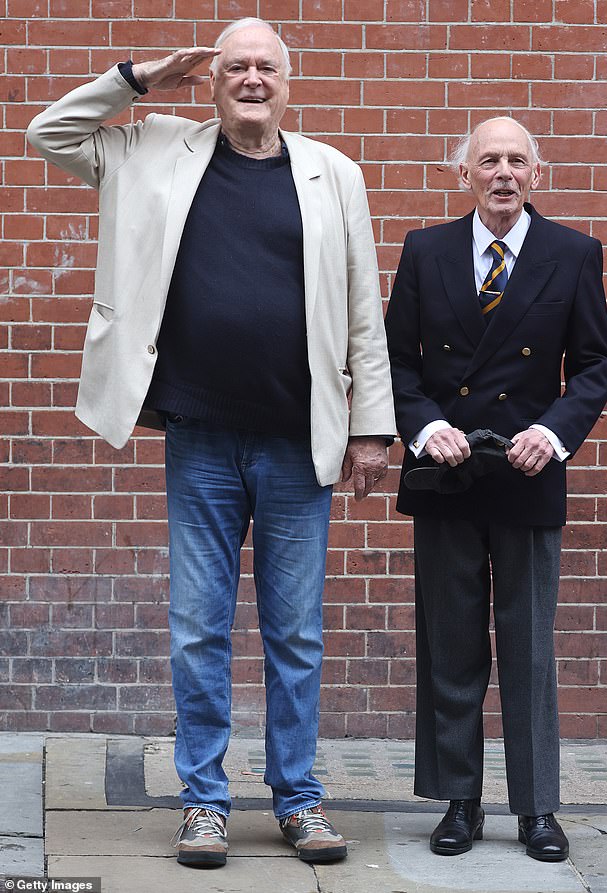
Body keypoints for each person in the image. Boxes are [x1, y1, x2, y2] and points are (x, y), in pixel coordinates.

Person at [27, 17, 396, 868]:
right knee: (198, 629)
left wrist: (373, 427)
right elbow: (50, 131)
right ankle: (203, 802)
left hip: (298, 442)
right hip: (198, 439)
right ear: (215, 79)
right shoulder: (152, 148)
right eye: (236, 66)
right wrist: (139, 77)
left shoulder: (332, 173)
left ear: (288, 81)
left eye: (267, 66)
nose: (252, 78)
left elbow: (362, 309)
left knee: (295, 631)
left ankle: (299, 800)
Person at [385, 117, 607, 863]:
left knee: (529, 650)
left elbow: (593, 365)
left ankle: (538, 808)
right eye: (490, 160)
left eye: (518, 160)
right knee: (451, 646)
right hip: (449, 474)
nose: (504, 173)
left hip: (528, 474)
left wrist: (551, 434)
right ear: (466, 174)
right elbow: (396, 363)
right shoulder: (425, 250)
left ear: (536, 174)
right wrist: (424, 429)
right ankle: (459, 800)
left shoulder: (574, 254)